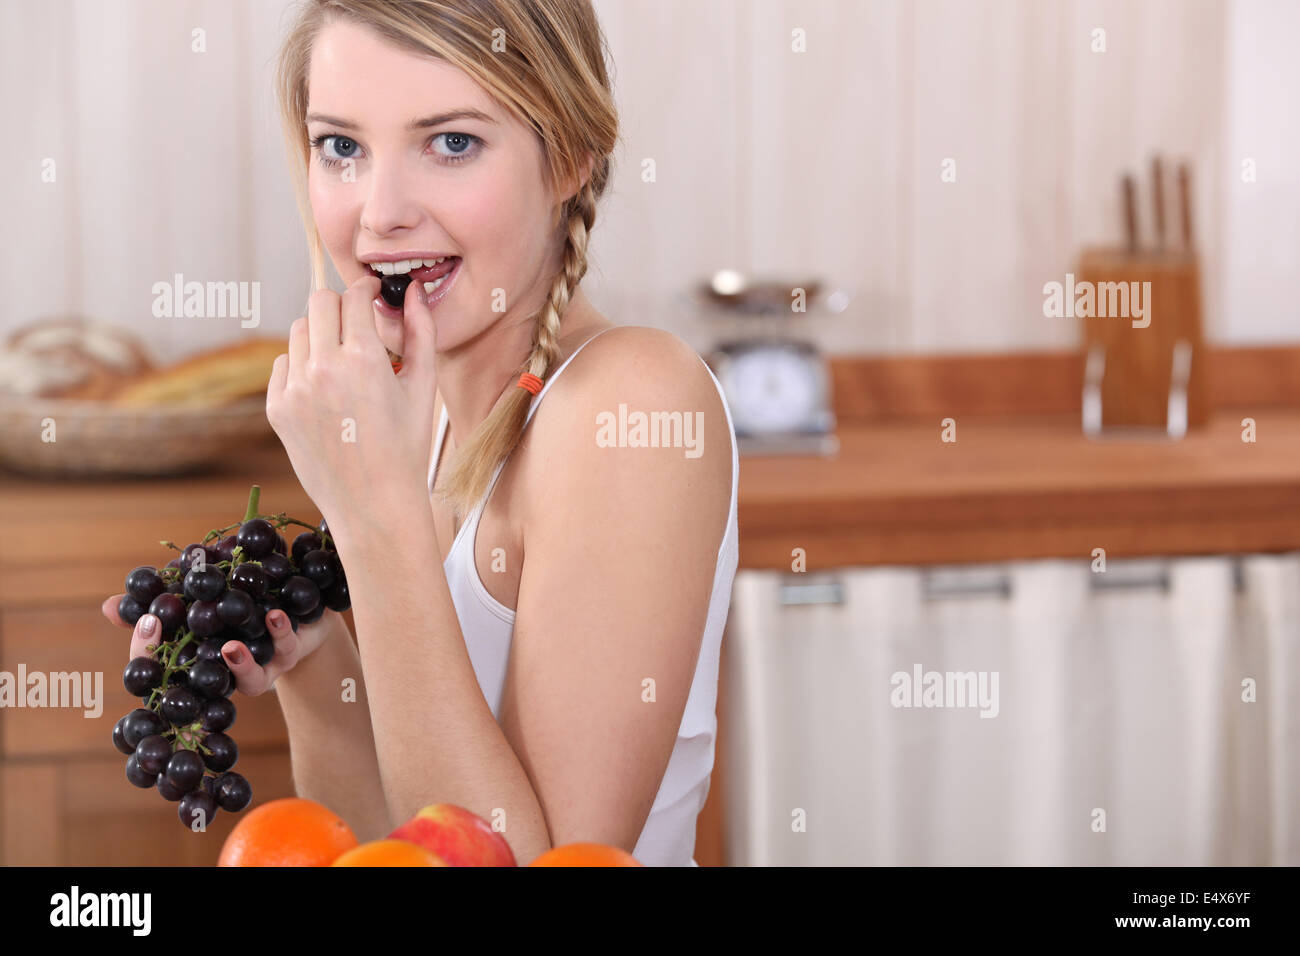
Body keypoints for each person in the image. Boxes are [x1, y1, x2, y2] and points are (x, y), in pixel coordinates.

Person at [104, 0, 738, 867]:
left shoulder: (629, 402)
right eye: (343, 147)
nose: (380, 214)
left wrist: (374, 522)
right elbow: (390, 843)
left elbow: (528, 862)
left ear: (572, 160)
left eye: (451, 143)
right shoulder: (418, 408)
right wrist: (312, 654)